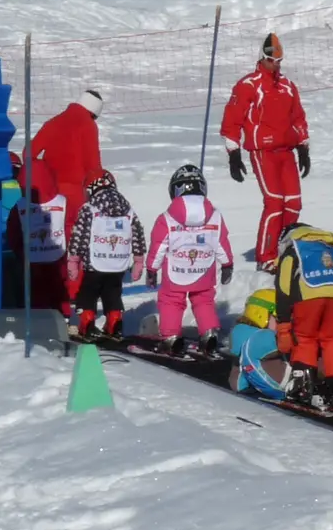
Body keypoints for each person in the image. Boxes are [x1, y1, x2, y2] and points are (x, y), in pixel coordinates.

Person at [221, 34, 310, 268]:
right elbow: (233, 118)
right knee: (274, 202)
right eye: (272, 60)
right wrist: (233, 151)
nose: (276, 64)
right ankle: (266, 256)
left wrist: (303, 146)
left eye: (279, 60)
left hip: (286, 151)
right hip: (263, 151)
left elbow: (298, 116)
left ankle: (283, 248)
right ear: (263, 58)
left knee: (293, 203)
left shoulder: (288, 87)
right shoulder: (249, 85)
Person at [229, 287, 333, 406]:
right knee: (319, 363)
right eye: (278, 318)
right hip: (290, 380)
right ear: (262, 315)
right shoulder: (260, 339)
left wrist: (245, 392)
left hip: (275, 383)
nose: (284, 323)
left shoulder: (241, 337)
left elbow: (237, 375)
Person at [146, 163, 235, 357]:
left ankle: (170, 338)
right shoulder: (215, 216)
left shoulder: (166, 218)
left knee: (171, 301)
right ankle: (209, 332)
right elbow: (221, 243)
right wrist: (227, 264)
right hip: (204, 270)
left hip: (176, 272)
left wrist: (152, 269)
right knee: (204, 300)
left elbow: (159, 246)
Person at [30, 88, 105, 304]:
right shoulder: (88, 125)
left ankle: (52, 292)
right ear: (93, 111)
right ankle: (74, 292)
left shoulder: (54, 122)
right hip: (76, 195)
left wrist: (41, 178)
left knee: (53, 244)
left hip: (50, 195)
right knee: (76, 245)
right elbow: (93, 165)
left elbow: (29, 153)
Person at [273, 222, 333, 412]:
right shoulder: (331, 248)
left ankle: (304, 387)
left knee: (305, 337)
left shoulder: (293, 250)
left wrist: (284, 322)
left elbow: (284, 288)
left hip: (310, 294)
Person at [69, 170, 146, 339]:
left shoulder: (89, 209)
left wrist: (74, 260)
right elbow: (138, 234)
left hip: (95, 264)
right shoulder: (128, 210)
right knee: (113, 292)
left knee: (88, 293)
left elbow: (80, 236)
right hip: (118, 263)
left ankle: (87, 321)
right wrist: (138, 260)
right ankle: (114, 319)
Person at [5, 155, 69, 310]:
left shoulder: (19, 207)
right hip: (57, 257)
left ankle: (38, 317)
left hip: (31, 258)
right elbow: (70, 227)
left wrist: (20, 252)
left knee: (36, 290)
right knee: (58, 288)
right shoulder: (62, 201)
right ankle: (63, 315)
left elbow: (13, 233)